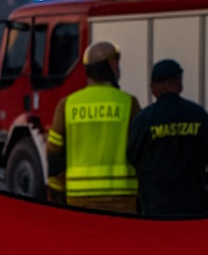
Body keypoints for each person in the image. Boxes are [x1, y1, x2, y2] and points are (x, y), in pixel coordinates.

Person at [46, 40, 141, 213]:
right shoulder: (129, 103)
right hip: (122, 199)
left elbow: (54, 155)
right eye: (117, 64)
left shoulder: (67, 105)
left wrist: (57, 194)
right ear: (111, 66)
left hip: (79, 200)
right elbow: (141, 152)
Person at [126, 59, 208, 215]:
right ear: (178, 82)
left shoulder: (144, 120)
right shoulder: (198, 115)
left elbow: (132, 156)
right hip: (194, 208)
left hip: (155, 208)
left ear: (155, 88)